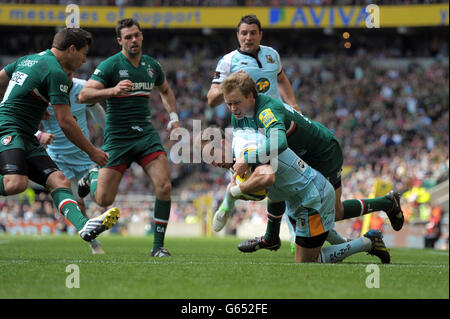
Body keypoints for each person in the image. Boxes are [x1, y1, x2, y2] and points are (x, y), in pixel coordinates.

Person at [220, 72, 405, 250]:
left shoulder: (267, 111)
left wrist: (248, 159)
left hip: (323, 152)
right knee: (278, 182)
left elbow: (279, 142)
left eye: (237, 102)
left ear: (251, 96)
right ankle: (271, 238)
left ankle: (388, 203)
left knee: (336, 211)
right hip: (300, 155)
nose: (233, 108)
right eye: (229, 104)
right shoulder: (239, 115)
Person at [200, 127, 390, 264]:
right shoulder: (239, 159)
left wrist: (233, 193)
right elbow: (266, 194)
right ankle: (347, 242)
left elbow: (266, 177)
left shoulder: (244, 149)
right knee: (307, 244)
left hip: (312, 196)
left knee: (308, 261)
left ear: (222, 143)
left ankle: (367, 242)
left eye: (211, 155)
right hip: (300, 199)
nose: (213, 163)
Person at [0, 28, 119, 243]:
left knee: (59, 181)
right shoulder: (56, 73)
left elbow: (2, 81)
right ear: (71, 49)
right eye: (84, 53)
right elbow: (65, 122)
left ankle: (84, 227)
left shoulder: (28, 59)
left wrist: (31, 104)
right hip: (9, 129)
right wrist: (93, 152)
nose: (85, 60)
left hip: (25, 133)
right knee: (15, 184)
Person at [77, 18, 179, 258]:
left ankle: (158, 247)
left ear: (141, 36)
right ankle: (93, 175)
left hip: (145, 135)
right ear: (120, 40)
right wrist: (111, 91)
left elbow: (165, 90)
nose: (134, 40)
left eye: (137, 35)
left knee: (164, 185)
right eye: (128, 37)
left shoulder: (152, 66)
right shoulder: (111, 65)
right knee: (103, 199)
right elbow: (83, 95)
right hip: (118, 138)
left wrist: (173, 117)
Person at [206, 15, 300, 250]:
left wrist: (294, 105)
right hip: (247, 128)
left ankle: (289, 238)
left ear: (260, 34)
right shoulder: (228, 61)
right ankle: (230, 200)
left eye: (253, 33)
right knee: (265, 179)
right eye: (243, 33)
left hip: (275, 123)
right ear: (237, 35)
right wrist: (228, 84)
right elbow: (211, 100)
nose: (248, 37)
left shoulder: (272, 55)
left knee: (285, 184)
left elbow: (282, 79)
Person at [36, 71, 107, 254]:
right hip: (58, 157)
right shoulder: (42, 90)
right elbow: (21, 117)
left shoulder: (82, 88)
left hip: (84, 154)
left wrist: (110, 133)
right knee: (77, 203)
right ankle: (93, 243)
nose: (65, 77)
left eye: (68, 73)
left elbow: (97, 111)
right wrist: (39, 134)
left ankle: (91, 179)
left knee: (100, 197)